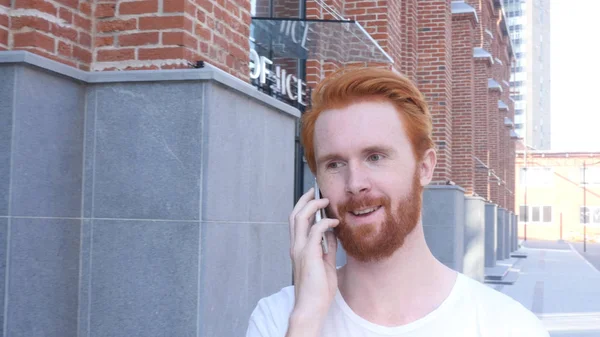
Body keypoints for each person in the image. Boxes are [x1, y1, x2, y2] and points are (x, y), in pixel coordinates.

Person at [245, 67, 549, 337]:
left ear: (425, 167)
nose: (355, 184)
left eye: (375, 157)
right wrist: (307, 319)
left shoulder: (509, 326)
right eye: (335, 164)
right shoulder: (279, 318)